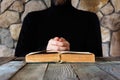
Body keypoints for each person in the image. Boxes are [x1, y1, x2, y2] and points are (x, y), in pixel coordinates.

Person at [15, 0, 103, 57]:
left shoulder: (90, 19)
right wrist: (45, 50)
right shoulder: (32, 19)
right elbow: (19, 55)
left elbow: (97, 57)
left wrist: (69, 52)